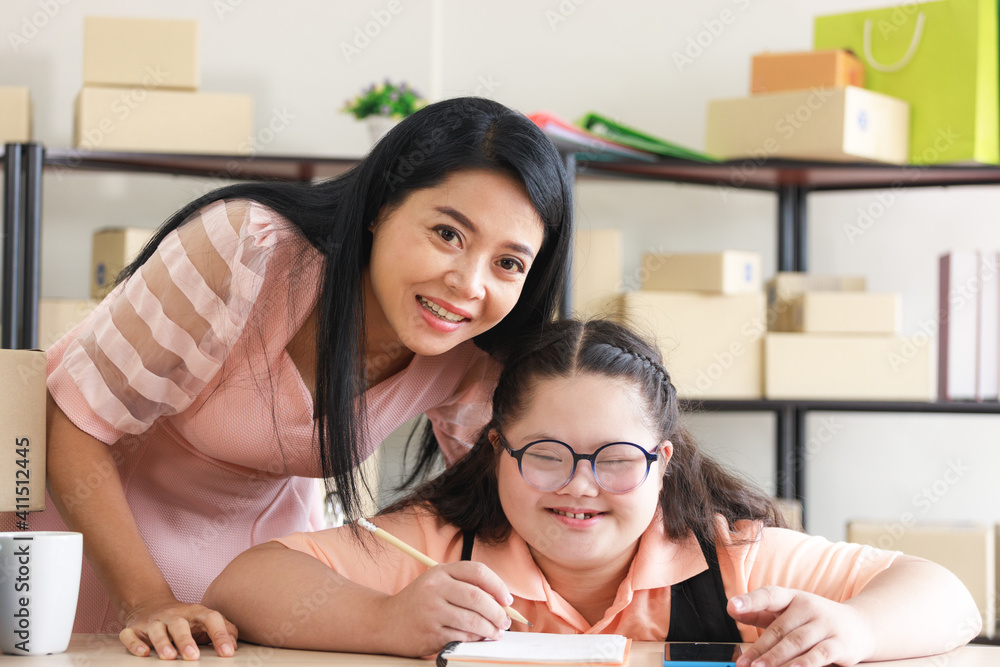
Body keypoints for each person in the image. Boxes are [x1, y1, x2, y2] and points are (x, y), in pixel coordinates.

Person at [10, 97, 573, 660]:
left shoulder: (477, 353)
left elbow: (509, 496)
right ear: (380, 206)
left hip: (253, 576)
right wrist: (146, 600)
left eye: (509, 263)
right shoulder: (245, 249)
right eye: (448, 234)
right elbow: (73, 420)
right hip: (90, 539)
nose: (468, 284)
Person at [205, 318, 981, 664]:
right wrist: (386, 617)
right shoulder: (438, 544)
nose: (580, 486)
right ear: (496, 449)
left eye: (616, 458)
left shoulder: (729, 559)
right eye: (546, 454)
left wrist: (855, 629)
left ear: (664, 460)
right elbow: (246, 582)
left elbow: (949, 596)